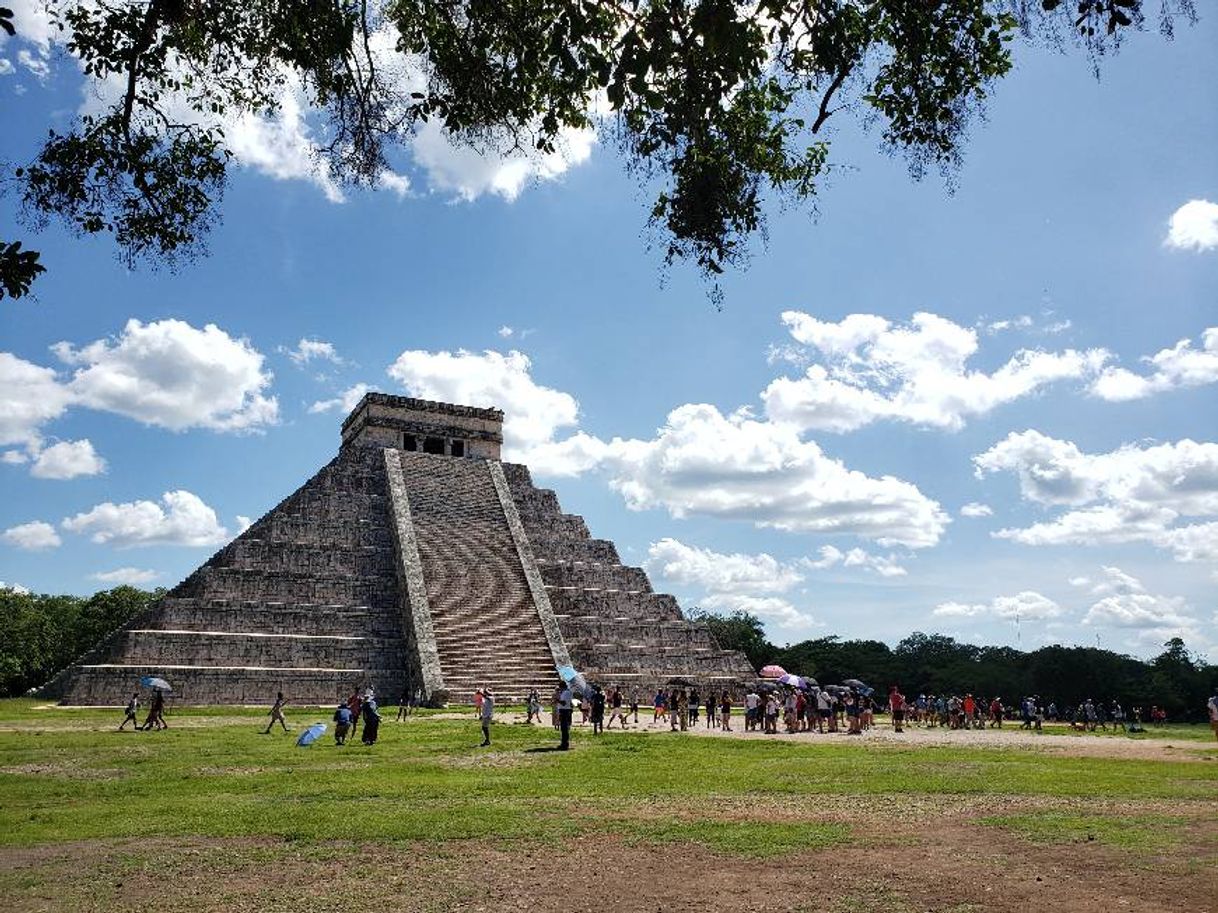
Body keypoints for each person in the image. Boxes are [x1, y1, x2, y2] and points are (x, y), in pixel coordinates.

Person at [557, 682, 574, 750]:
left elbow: (564, 703)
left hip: (564, 711)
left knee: (564, 728)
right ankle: (564, 743)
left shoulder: (566, 693)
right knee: (564, 728)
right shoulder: (567, 692)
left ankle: (565, 744)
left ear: (562, 687)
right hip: (566, 710)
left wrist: (557, 700)